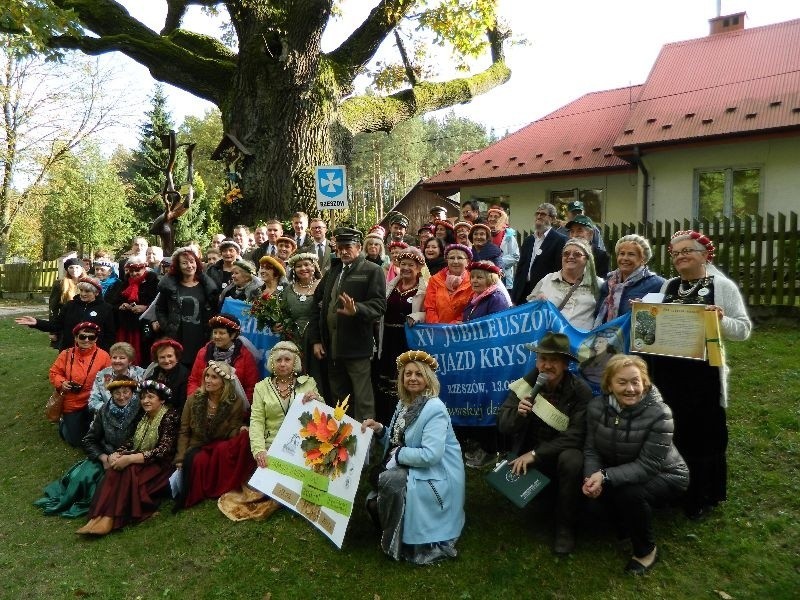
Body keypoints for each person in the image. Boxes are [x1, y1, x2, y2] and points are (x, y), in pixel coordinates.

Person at [645, 230, 751, 519]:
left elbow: (743, 329)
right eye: (675, 253)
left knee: (703, 434)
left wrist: (720, 319)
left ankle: (703, 496)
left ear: (705, 255)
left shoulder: (722, 286)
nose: (680, 256)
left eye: (686, 251)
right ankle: (675, 488)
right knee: (673, 429)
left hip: (703, 374)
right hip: (669, 371)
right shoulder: (669, 285)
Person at [582, 355, 689, 574]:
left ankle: (645, 550)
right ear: (609, 385)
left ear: (645, 383)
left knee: (629, 494)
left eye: (636, 381)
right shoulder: (595, 407)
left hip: (667, 474)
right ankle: (622, 525)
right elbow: (591, 449)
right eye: (622, 382)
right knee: (594, 499)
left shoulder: (660, 414)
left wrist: (605, 476)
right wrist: (591, 476)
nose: (630, 389)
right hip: (620, 468)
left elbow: (648, 466)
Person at [361, 350, 465, 564]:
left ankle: (402, 541)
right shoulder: (404, 403)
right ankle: (396, 523)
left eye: (418, 374)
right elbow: (402, 438)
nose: (412, 378)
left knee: (391, 480)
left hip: (437, 474)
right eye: (408, 374)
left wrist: (397, 454)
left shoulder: (435, 408)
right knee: (379, 483)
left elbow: (431, 455)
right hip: (418, 465)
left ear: (428, 378)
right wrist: (380, 429)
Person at [497, 332, 592, 555]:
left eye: (554, 360)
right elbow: (503, 426)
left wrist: (535, 454)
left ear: (566, 364)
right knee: (539, 505)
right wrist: (518, 415)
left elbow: (576, 435)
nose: (547, 365)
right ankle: (545, 497)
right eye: (542, 359)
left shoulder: (580, 392)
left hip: (556, 456)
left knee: (572, 459)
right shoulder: (526, 386)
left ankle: (565, 528)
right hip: (528, 457)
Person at [218, 342, 323, 521]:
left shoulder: (308, 383)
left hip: (302, 445)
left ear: (295, 362)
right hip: (271, 446)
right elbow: (257, 421)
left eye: (287, 359)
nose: (282, 364)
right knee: (268, 489)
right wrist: (259, 450)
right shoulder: (261, 387)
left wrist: (317, 399)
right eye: (278, 360)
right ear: (272, 363)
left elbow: (321, 415)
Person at [76, 380, 179, 535]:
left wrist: (130, 459)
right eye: (143, 397)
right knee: (114, 469)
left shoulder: (170, 416)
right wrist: (119, 452)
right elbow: (133, 440)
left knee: (127, 471)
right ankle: (97, 516)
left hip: (161, 465)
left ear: (162, 399)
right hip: (143, 460)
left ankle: (110, 518)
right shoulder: (145, 416)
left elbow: (163, 450)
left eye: (150, 397)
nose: (145, 401)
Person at [34, 376, 143, 518]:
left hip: (126, 458)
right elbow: (89, 440)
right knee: (82, 477)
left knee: (101, 489)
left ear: (132, 392)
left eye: (126, 392)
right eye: (117, 393)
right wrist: (103, 458)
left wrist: (120, 456)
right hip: (105, 456)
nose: (122, 397)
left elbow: (140, 440)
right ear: (111, 394)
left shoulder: (141, 410)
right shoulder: (104, 410)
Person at [308, 227, 386, 421]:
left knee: (363, 398)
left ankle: (367, 445)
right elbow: (317, 305)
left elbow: (379, 305)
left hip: (357, 347)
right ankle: (343, 439)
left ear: (359, 247)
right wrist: (317, 340)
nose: (343, 251)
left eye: (348, 247)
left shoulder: (372, 270)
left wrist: (357, 310)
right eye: (340, 247)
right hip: (332, 347)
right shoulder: (333, 271)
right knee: (339, 397)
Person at [173, 361, 254, 509]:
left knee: (231, 445)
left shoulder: (235, 402)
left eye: (214, 377)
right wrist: (180, 458)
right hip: (197, 444)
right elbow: (184, 430)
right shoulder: (193, 399)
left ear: (224, 382)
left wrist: (240, 430)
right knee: (198, 461)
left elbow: (232, 429)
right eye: (207, 376)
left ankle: (224, 485)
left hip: (219, 443)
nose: (208, 380)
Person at [376, 248, 427, 425]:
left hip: (408, 340)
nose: (406, 268)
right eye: (403, 264)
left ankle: (405, 423)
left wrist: (417, 316)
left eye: (411, 265)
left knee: (406, 379)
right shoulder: (390, 286)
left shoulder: (424, 289)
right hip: (388, 338)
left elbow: (430, 313)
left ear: (419, 267)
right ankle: (385, 425)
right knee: (386, 382)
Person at [44, 322, 112, 446]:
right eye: (82, 336)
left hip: (93, 401)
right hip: (72, 402)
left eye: (91, 337)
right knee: (76, 441)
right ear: (75, 337)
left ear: (96, 338)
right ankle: (64, 424)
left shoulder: (104, 356)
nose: (87, 340)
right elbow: (54, 372)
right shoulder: (65, 354)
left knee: (97, 436)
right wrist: (62, 383)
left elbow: (108, 379)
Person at [153, 247, 219, 368]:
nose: (189, 266)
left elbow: (214, 309)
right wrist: (167, 327)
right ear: (178, 266)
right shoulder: (170, 287)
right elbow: (160, 309)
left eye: (192, 261)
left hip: (200, 335)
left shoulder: (206, 287)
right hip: (178, 335)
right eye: (184, 263)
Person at [17, 276, 115, 351]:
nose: (83, 294)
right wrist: (37, 323)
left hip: (95, 352)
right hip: (69, 349)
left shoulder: (106, 308)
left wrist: (104, 352)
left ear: (96, 293)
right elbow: (56, 325)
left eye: (87, 291)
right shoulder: (70, 305)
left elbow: (110, 335)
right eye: (81, 290)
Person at [528, 237, 601, 330]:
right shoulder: (547, 280)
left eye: (577, 254)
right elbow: (528, 312)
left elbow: (606, 313)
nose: (570, 257)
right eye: (566, 254)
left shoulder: (598, 284)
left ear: (587, 259)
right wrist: (536, 302)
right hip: (550, 341)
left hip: (582, 342)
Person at [594, 234, 664, 326]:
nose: (625, 258)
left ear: (643, 259)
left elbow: (662, 318)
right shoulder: (608, 284)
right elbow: (597, 314)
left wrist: (644, 310)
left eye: (631, 254)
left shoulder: (657, 284)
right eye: (622, 253)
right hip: (604, 338)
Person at [277, 253, 324, 390]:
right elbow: (281, 314)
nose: (303, 268)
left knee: (317, 377)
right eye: (298, 266)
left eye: (307, 264)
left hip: (318, 341)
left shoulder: (323, 286)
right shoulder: (287, 291)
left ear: (314, 267)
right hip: (293, 340)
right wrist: (277, 325)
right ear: (294, 270)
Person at [187, 313, 259, 400]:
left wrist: (239, 410)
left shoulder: (245, 356)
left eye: (221, 333)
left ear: (232, 335)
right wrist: (196, 402)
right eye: (215, 332)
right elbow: (194, 380)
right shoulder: (203, 352)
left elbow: (251, 388)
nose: (217, 336)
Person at [511, 203, 567, 305]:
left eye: (543, 214)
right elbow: (520, 269)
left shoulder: (560, 240)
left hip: (544, 293)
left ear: (553, 219)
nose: (539, 217)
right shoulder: (529, 240)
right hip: (523, 292)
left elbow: (559, 270)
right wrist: (514, 297)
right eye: (537, 214)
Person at [113, 256, 159, 365]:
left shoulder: (154, 283)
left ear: (144, 269)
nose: (133, 274)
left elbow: (159, 304)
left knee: (143, 354)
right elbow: (114, 302)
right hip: (126, 326)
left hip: (144, 327)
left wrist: (145, 308)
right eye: (131, 271)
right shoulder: (124, 283)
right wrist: (121, 305)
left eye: (137, 270)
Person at [87, 341, 145, 414]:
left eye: (122, 358)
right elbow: (93, 402)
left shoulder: (141, 374)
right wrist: (111, 410)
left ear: (130, 361)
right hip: (107, 417)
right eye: (114, 357)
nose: (117, 361)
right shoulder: (102, 375)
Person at [423, 243, 473, 324]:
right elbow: (430, 307)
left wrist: (453, 326)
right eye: (452, 258)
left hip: (461, 330)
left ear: (467, 262)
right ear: (447, 260)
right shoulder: (434, 280)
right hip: (437, 329)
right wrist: (437, 326)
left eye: (460, 258)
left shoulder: (473, 281)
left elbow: (471, 308)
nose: (455, 261)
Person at [143, 338, 190, 412]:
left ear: (176, 357)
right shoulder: (156, 372)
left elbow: (183, 404)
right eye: (162, 357)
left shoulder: (184, 375)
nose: (166, 360)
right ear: (157, 359)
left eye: (169, 356)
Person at [486, 205, 520, 291]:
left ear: (501, 219)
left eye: (496, 217)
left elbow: (515, 256)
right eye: (490, 216)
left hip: (504, 278)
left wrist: (497, 262)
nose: (492, 219)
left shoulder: (508, 235)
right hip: (485, 277)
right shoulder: (484, 234)